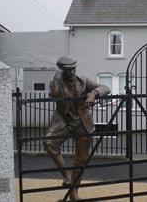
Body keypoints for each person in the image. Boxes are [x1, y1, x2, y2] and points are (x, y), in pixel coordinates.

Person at [43, 55, 110, 200]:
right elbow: (54, 93)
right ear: (62, 71)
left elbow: (105, 87)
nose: (72, 73)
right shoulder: (57, 83)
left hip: (82, 123)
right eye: (68, 71)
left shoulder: (83, 81)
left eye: (73, 69)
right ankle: (66, 176)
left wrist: (93, 94)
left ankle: (74, 194)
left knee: (81, 161)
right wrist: (57, 75)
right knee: (49, 143)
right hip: (63, 121)